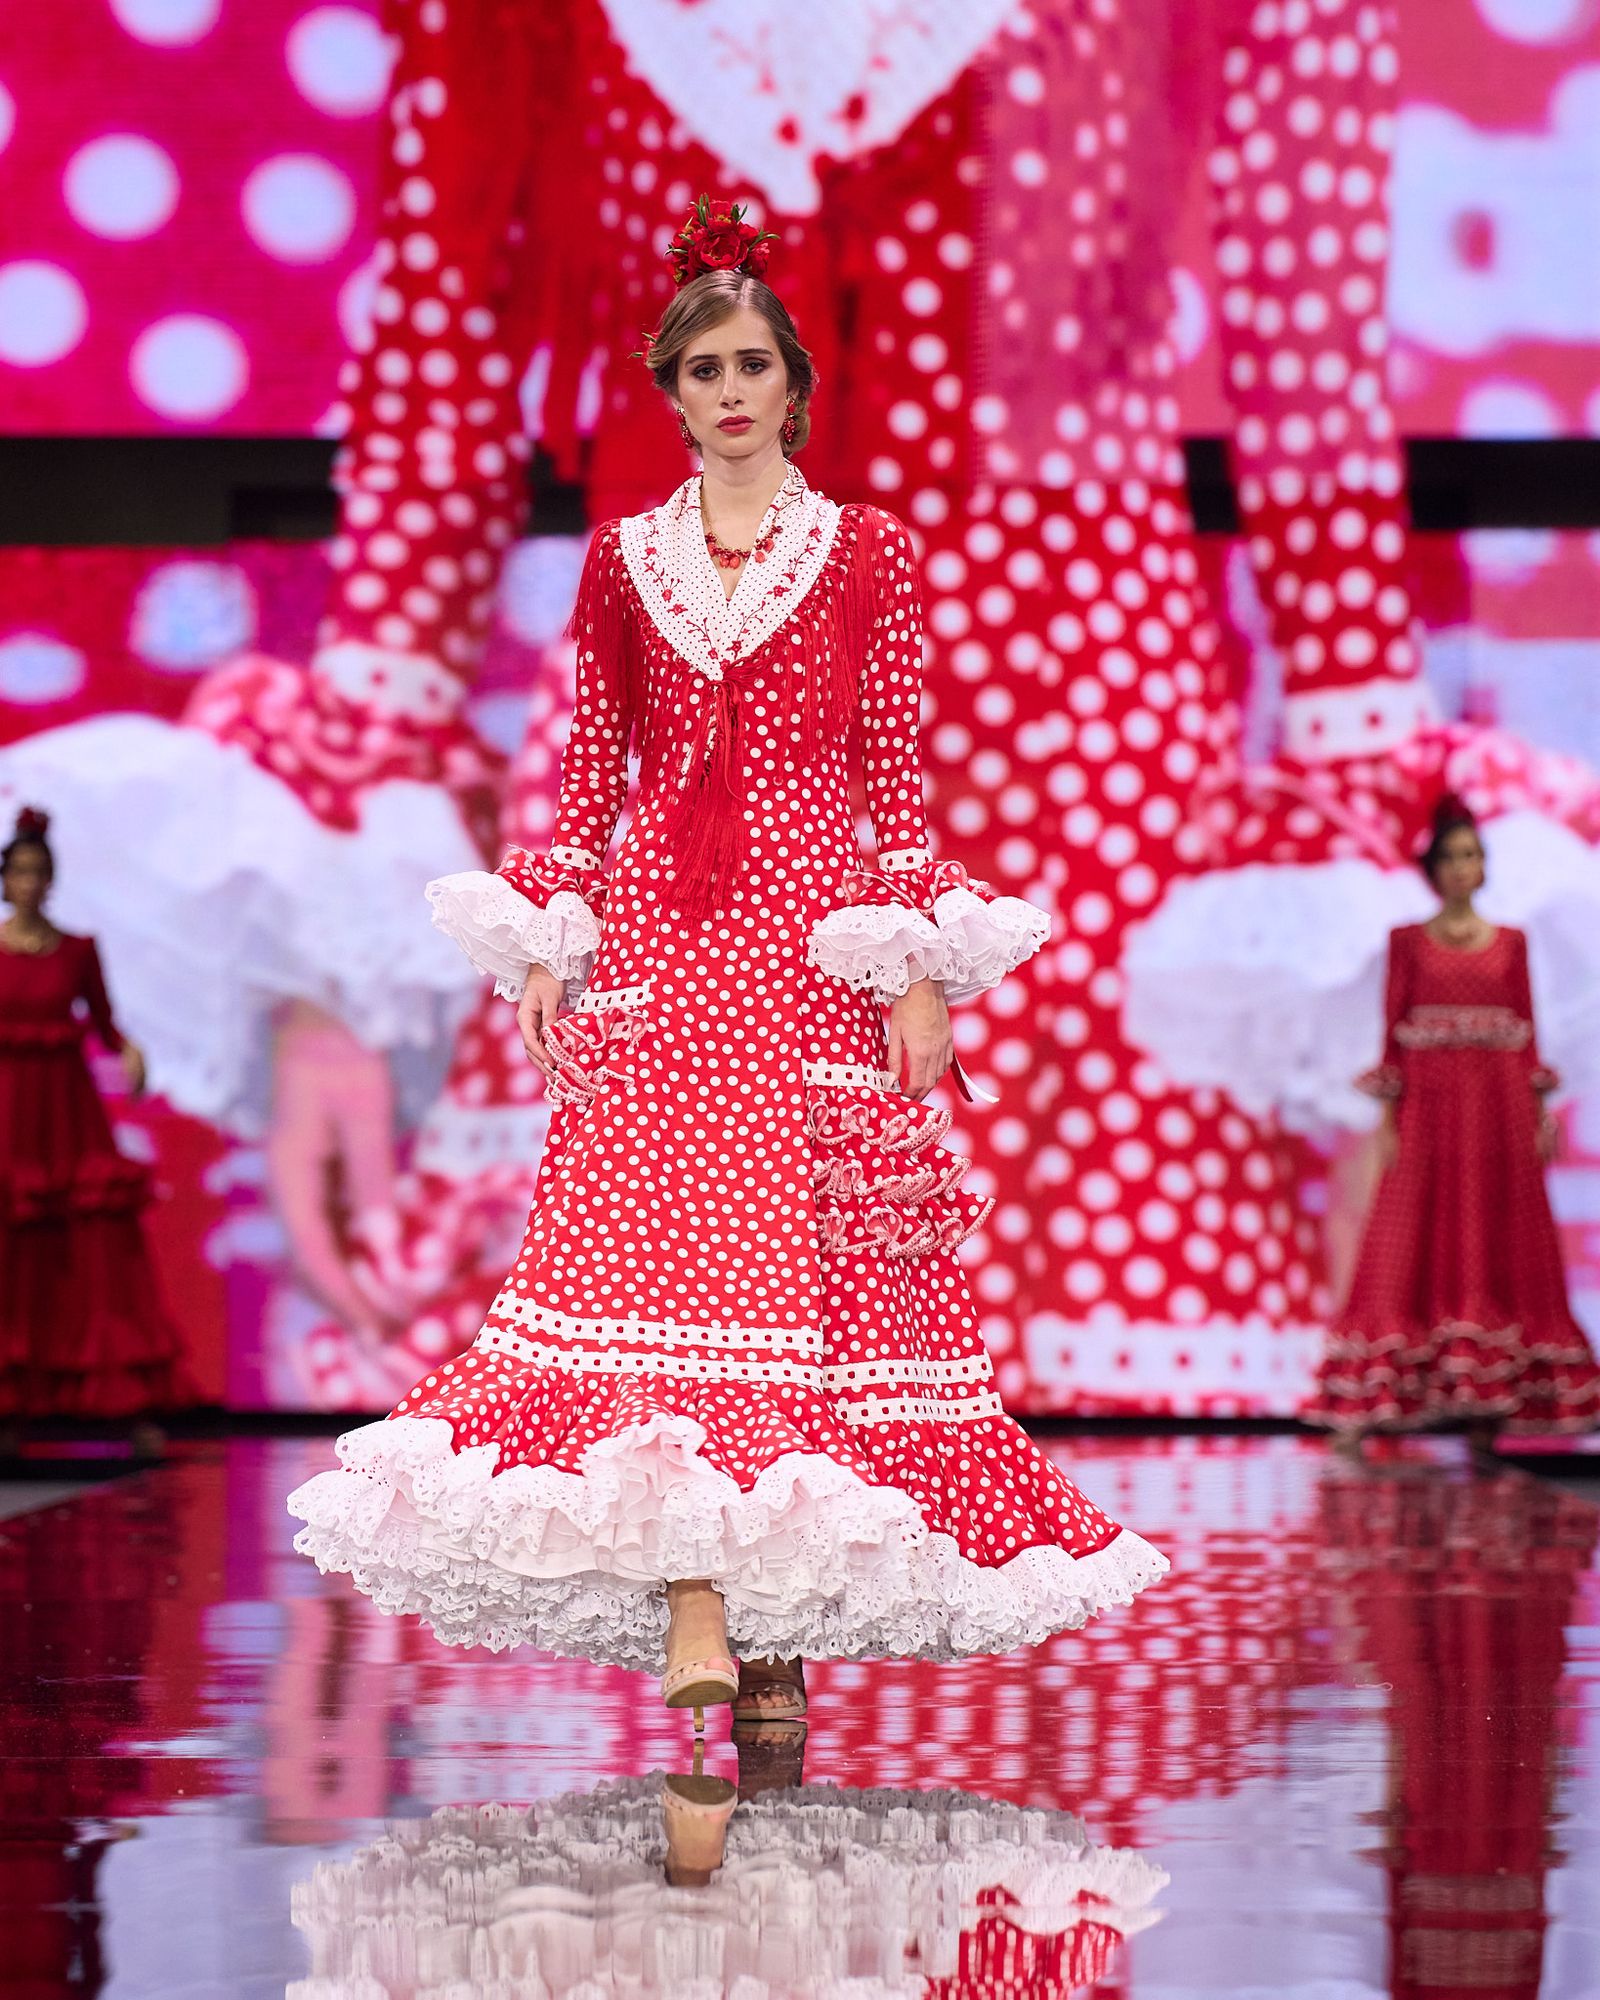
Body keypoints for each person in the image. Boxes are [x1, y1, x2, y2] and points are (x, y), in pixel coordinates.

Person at [289, 201, 1166, 1731]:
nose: (731, 390)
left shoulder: (869, 553)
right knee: (659, 1274)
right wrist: (548, 944)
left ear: (794, 383)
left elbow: (898, 774)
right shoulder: (624, 563)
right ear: (673, 391)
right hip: (661, 949)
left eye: (752, 361)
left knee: (809, 1283)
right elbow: (589, 769)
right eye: (703, 369)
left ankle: (768, 1632)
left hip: (809, 945)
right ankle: (702, 1608)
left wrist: (916, 967)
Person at [1304, 795, 1600, 1438]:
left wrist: (1539, 1113)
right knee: (1408, 1232)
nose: (1463, 868)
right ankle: (1375, 1401)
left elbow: (1527, 1035)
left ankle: (1505, 1397)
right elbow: (1392, 1038)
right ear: (1433, 870)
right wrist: (1389, 1121)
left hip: (1499, 1108)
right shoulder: (1407, 944)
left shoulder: (1512, 944)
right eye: (1452, 858)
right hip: (1430, 1109)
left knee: (1505, 1235)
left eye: (1472, 856)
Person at [0, 808, 188, 1432]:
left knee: (89, 1248)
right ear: (5, 881)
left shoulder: (78, 949)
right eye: (18, 872)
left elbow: (105, 1024)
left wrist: (130, 1051)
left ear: (50, 880)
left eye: (38, 872)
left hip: (65, 1113)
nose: (28, 883)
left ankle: (131, 1407)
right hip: (8, 1115)